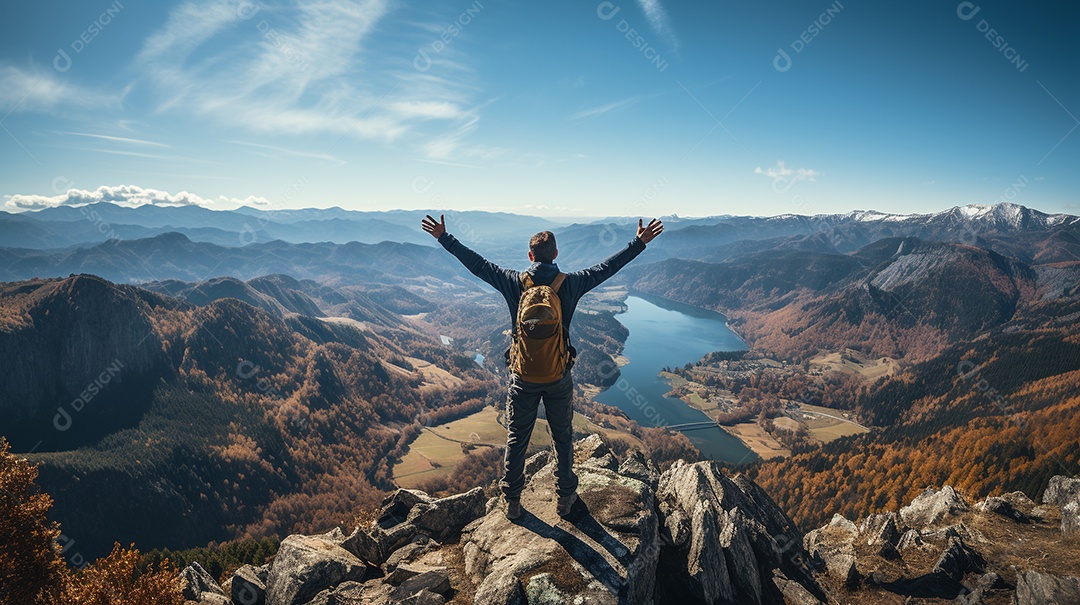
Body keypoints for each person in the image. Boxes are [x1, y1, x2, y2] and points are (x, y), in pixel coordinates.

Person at [421, 214, 664, 520]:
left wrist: (445, 238)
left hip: (522, 376)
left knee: (517, 438)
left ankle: (512, 502)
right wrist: (638, 243)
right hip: (558, 376)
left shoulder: (514, 282)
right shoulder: (570, 283)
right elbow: (607, 268)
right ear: (556, 254)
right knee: (562, 438)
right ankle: (565, 499)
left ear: (530, 256)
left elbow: (478, 265)